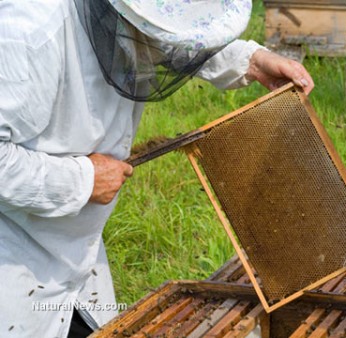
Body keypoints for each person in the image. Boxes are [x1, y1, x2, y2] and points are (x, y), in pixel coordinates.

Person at [0, 0, 313, 336]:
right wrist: (82, 180)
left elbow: (165, 37)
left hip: (76, 254)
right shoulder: (28, 33)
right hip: (15, 258)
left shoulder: (127, 18)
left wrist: (250, 60)